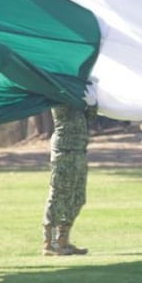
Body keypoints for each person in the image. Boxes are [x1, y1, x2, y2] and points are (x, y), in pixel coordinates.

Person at [43, 104, 95, 256]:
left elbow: (89, 119)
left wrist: (92, 104)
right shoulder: (61, 92)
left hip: (79, 150)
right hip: (63, 151)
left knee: (78, 197)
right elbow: (62, 107)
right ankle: (49, 243)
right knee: (58, 195)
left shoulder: (79, 97)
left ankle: (62, 241)